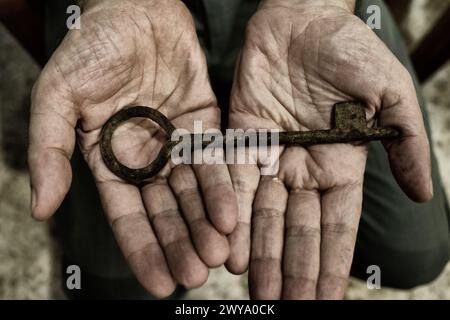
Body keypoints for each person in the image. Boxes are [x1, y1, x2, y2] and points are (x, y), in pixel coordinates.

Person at [28, 0, 450, 299]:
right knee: (115, 287)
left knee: (414, 254)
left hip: (305, 25)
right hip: (132, 27)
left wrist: (316, 6)